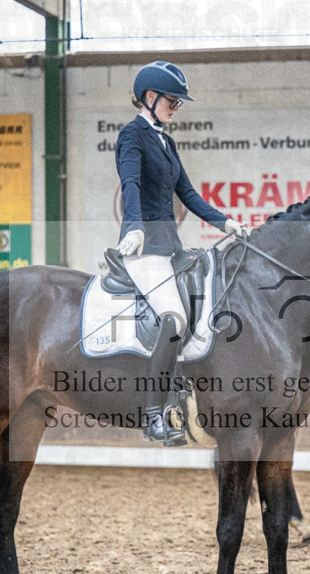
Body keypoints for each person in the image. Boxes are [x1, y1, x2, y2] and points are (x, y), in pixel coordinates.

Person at [115, 60, 247, 446]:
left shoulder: (167, 142)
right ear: (150, 97)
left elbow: (186, 193)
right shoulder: (132, 135)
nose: (176, 107)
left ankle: (179, 400)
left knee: (203, 307)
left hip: (170, 248)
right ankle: (153, 414)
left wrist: (224, 222)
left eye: (178, 103)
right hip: (144, 248)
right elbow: (130, 183)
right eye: (172, 101)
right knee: (173, 320)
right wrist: (134, 226)